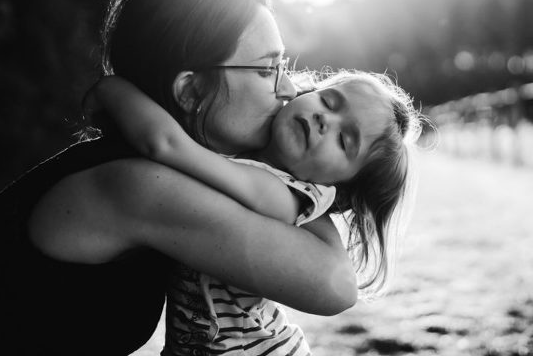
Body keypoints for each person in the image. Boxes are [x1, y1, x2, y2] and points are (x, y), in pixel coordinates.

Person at [0, 0, 358, 356]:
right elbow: (335, 286)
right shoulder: (140, 185)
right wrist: (307, 176)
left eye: (283, 64)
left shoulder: (135, 163)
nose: (288, 89)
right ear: (191, 91)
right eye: (266, 69)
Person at [87, 68, 422, 355]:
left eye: (344, 141)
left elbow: (167, 145)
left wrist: (110, 88)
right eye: (328, 101)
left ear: (342, 190)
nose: (325, 120)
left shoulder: (281, 194)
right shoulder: (248, 153)